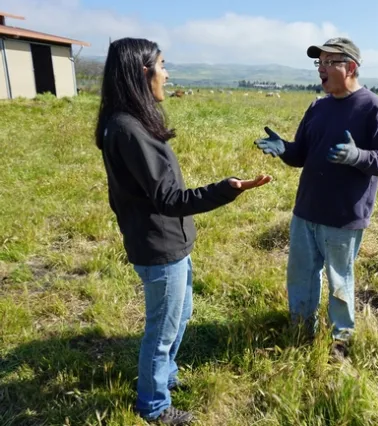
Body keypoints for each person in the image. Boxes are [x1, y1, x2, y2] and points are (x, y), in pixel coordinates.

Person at [95, 37, 271, 425]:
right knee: (161, 331)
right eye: (162, 64)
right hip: (161, 247)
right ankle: (154, 407)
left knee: (180, 314)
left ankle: (167, 377)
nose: (167, 72)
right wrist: (228, 189)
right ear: (144, 73)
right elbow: (170, 200)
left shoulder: (122, 123)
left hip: (164, 241)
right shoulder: (128, 130)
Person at [254, 37, 378, 360]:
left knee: (339, 279)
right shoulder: (318, 107)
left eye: (328, 62)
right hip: (307, 209)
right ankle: (300, 329)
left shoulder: (374, 109)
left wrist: (358, 156)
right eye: (318, 62)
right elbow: (301, 154)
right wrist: (284, 150)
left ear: (349, 67)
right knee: (301, 274)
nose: (320, 68)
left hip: (343, 215)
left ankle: (340, 342)